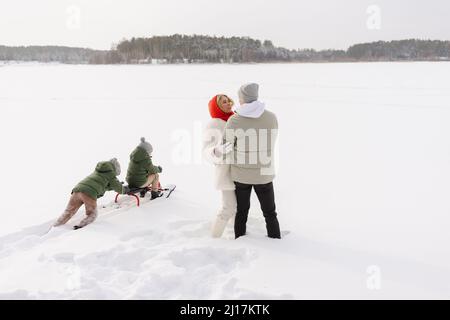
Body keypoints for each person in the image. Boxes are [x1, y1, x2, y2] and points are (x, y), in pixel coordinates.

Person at [224, 83, 281, 239]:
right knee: (270, 213)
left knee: (241, 212)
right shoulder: (271, 117)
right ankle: (276, 239)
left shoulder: (234, 120)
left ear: (243, 99)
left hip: (241, 175)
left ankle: (240, 239)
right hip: (264, 173)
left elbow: (226, 146)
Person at [54, 158, 128, 230]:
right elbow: (119, 188)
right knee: (92, 214)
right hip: (88, 193)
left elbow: (100, 185)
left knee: (69, 211)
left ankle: (56, 226)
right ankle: (80, 227)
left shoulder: (99, 170)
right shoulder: (110, 173)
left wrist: (112, 186)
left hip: (77, 190)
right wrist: (124, 190)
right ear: (115, 169)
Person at [203, 94, 236, 238]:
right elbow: (205, 152)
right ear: (217, 106)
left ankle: (238, 233)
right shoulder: (214, 124)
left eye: (229, 100)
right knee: (228, 207)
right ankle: (214, 237)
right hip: (226, 173)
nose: (229, 103)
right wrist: (216, 151)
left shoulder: (234, 119)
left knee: (238, 207)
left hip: (240, 171)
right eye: (224, 102)